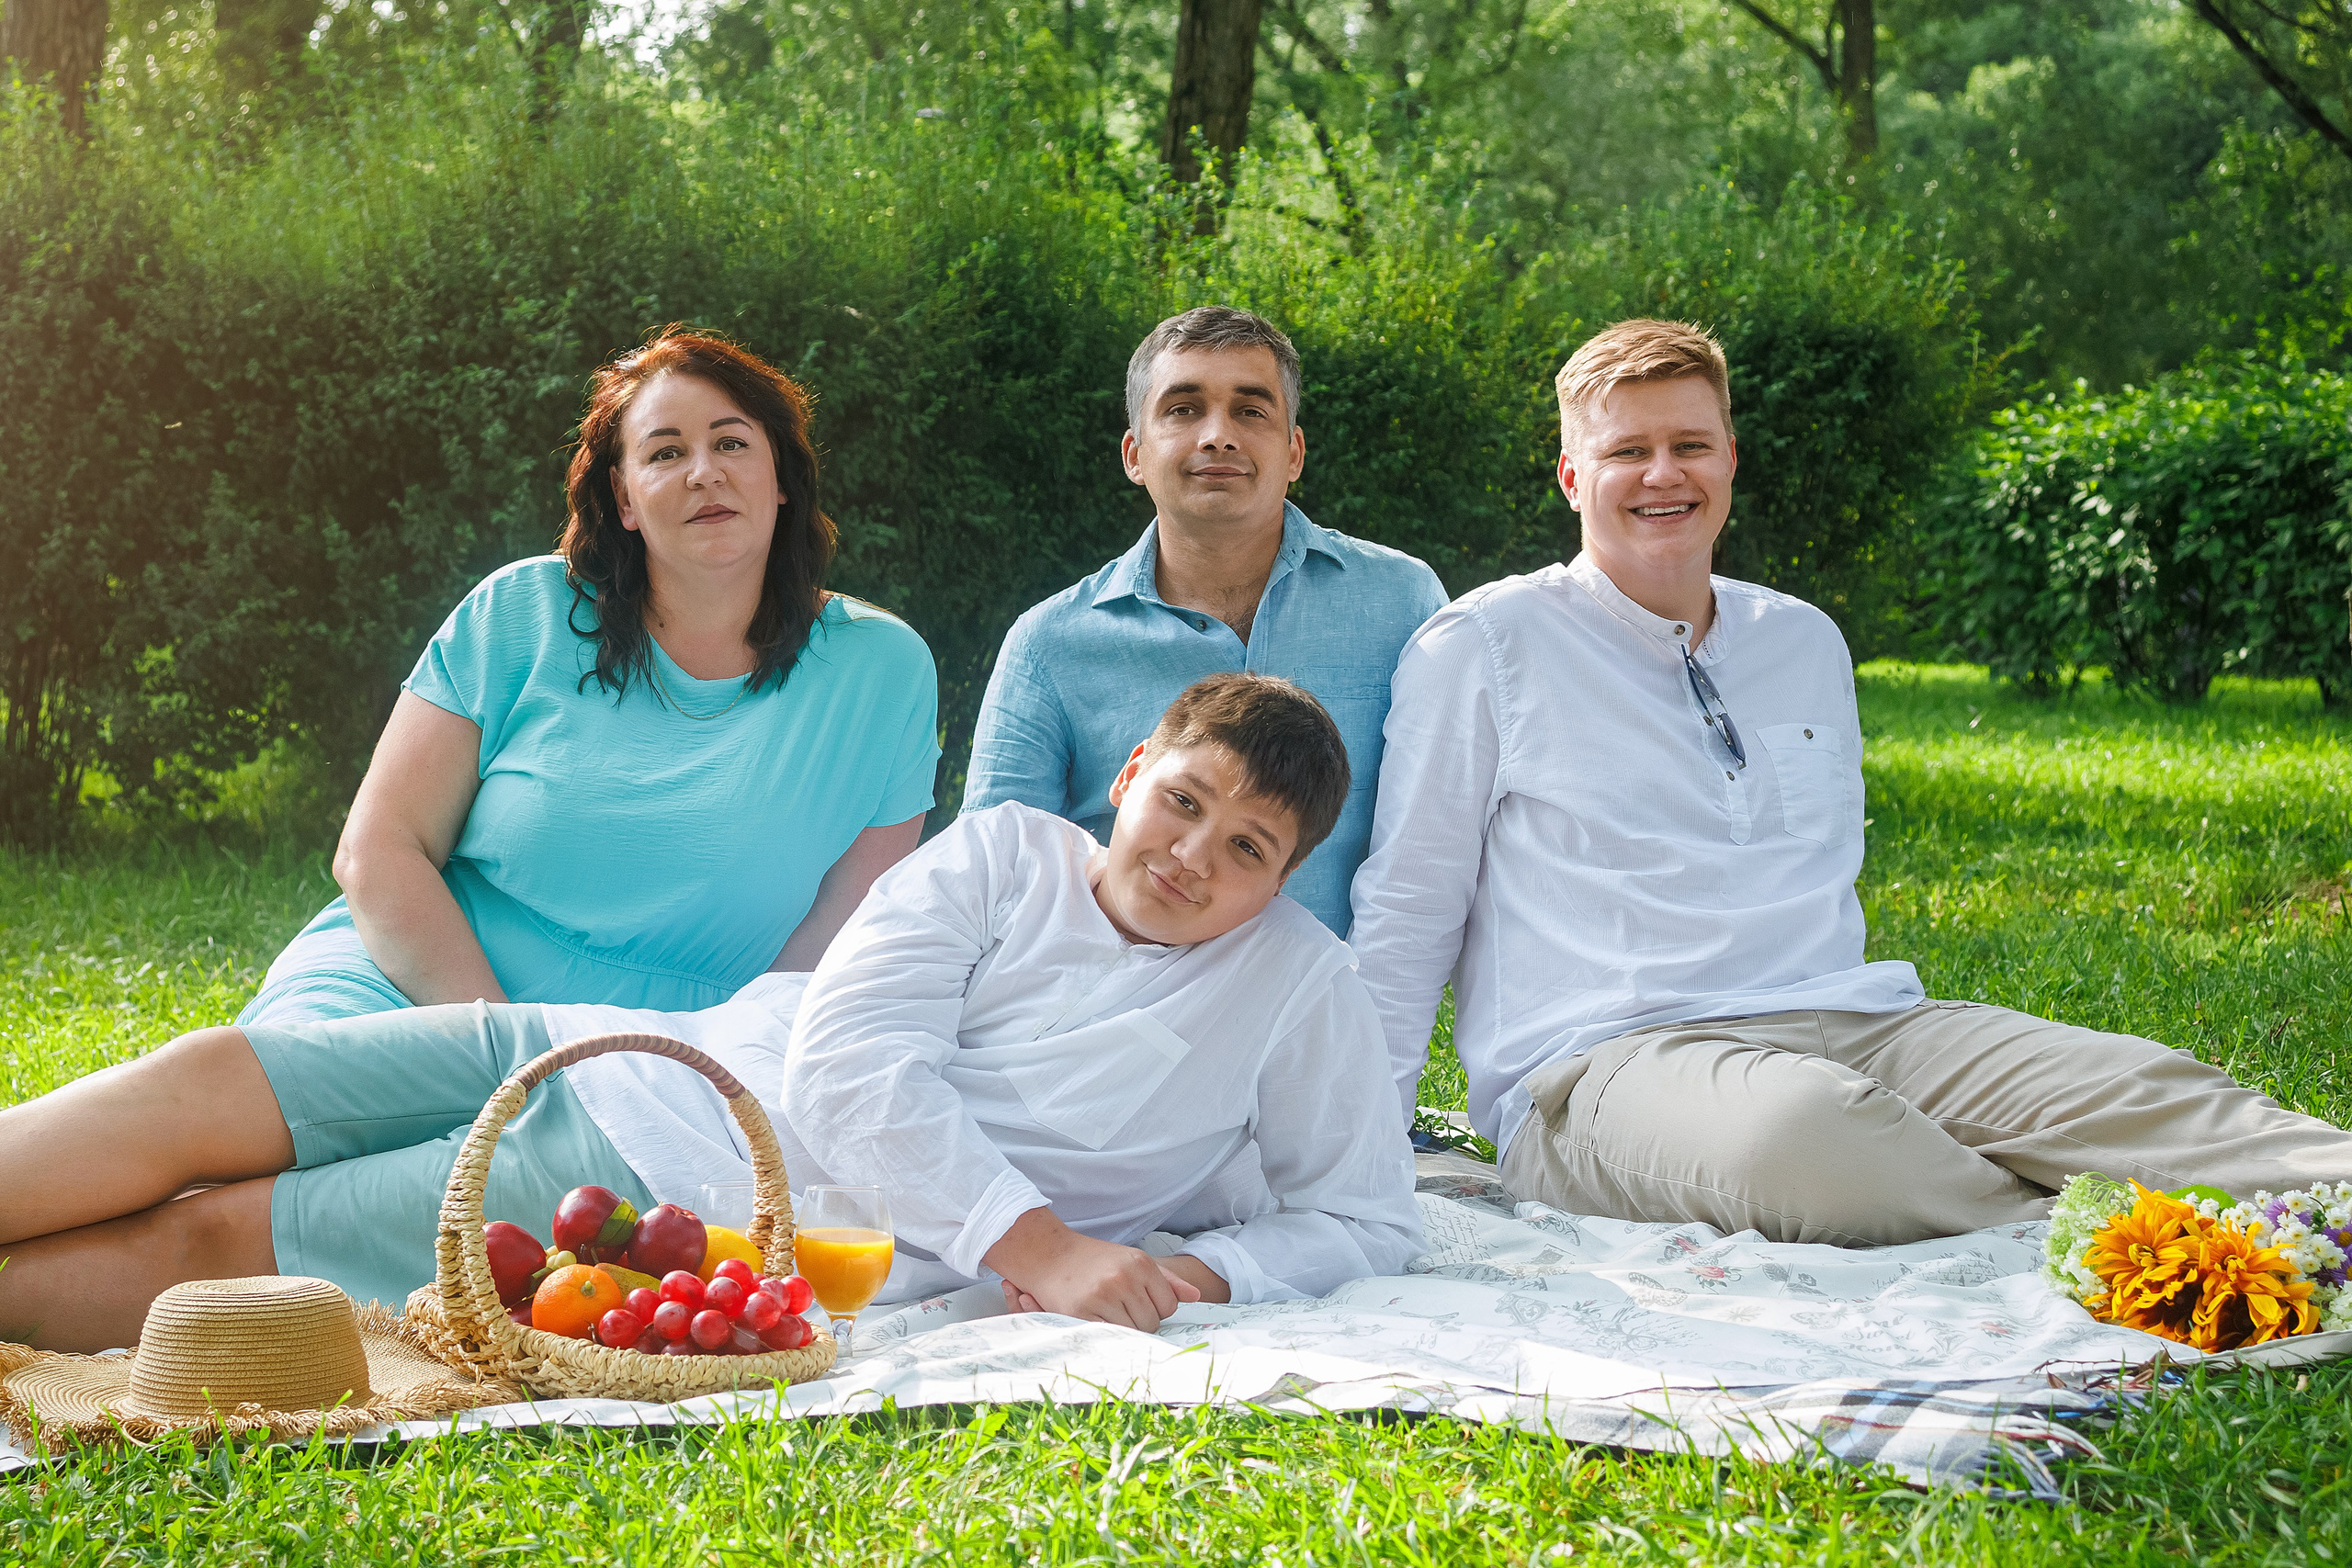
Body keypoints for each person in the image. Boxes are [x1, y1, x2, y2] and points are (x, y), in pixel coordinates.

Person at [0, 675, 1421, 1351]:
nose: (1194, 854)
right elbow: (853, 1056)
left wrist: (1196, 1272)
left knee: (214, 1236)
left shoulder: (1300, 988)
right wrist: (1039, 1244)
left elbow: (1362, 1216)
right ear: (1129, 774)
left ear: (1288, 878)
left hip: (671, 1177)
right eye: (1184, 800)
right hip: (602, 1048)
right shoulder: (1002, 854)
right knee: (209, 1075)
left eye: (1249, 846)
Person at [1348, 317, 2352, 1243]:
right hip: (1606, 1067)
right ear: (1573, 476)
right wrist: (1360, 1145)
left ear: (1731, 459)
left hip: (1857, 1024)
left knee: (2142, 1087)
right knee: (1810, 1141)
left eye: (1691, 444)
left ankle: (2317, 1197)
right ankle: (2131, 1242)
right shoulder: (1485, 644)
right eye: (1627, 451)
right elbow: (1409, 906)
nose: (1664, 473)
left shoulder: (1802, 640)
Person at [238, 328, 939, 1026]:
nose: (704, 472)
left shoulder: (884, 674)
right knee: (231, 1081)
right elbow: (378, 849)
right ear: (624, 499)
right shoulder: (519, 613)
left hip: (673, 1054)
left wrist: (717, 1060)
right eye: (666, 452)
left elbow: (833, 950)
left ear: (780, 477)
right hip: (418, 984)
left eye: (731, 443)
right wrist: (505, 1051)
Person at [961, 306, 1449, 938]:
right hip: (1114, 993)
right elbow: (992, 871)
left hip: (1341, 991)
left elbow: (1438, 835)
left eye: (1251, 411)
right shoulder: (1048, 644)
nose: (1218, 435)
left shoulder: (1404, 601)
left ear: (1294, 452)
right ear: (1135, 454)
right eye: (1183, 409)